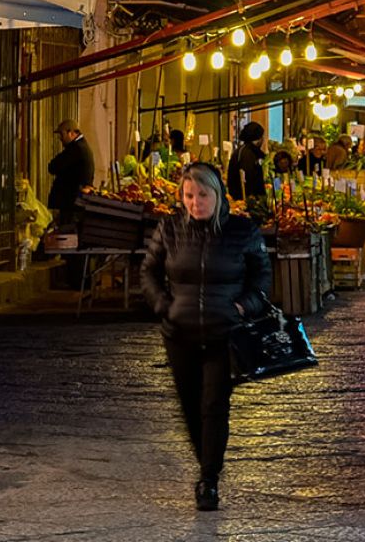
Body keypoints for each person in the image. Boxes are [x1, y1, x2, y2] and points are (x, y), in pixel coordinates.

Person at [140, 162, 271, 511]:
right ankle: (206, 464)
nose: (196, 202)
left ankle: (208, 479)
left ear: (218, 195)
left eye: (202, 195)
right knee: (190, 406)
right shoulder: (168, 229)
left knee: (214, 404)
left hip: (223, 332)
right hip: (178, 332)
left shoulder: (242, 231)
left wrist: (244, 307)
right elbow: (149, 272)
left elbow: (262, 278)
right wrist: (163, 305)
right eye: (189, 196)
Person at [47, 119, 95, 226]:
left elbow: (53, 166)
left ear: (72, 133)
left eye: (62, 134)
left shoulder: (76, 149)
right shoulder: (81, 146)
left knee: (67, 230)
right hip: (74, 200)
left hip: (72, 201)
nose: (60, 138)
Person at [227, 121, 266, 200]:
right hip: (245, 200)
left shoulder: (241, 151)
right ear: (258, 139)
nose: (263, 140)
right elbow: (249, 178)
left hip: (241, 198)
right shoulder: (248, 154)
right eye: (262, 137)